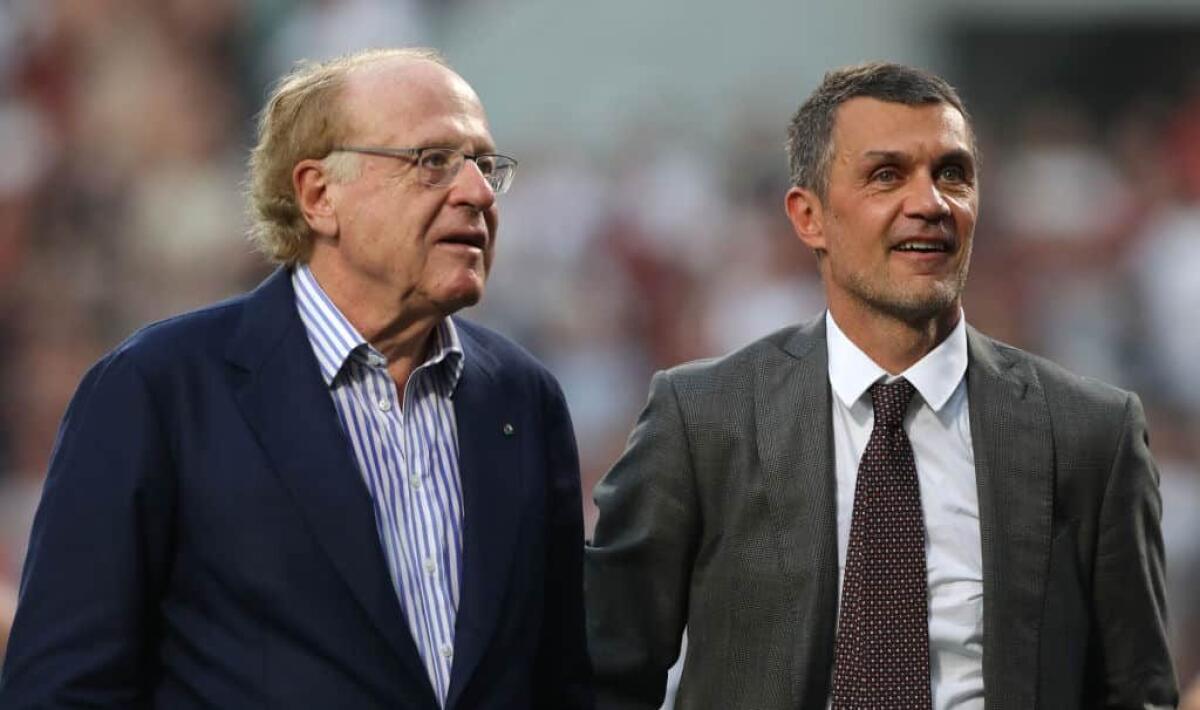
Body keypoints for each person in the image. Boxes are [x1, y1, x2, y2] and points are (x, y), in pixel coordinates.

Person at [0, 48, 592, 709]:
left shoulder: (522, 400)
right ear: (318, 195)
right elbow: (61, 689)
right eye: (433, 162)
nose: (478, 193)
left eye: (485, 165)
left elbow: (561, 682)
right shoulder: (158, 391)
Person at [585, 62, 1177, 709]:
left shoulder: (1092, 434)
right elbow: (607, 673)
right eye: (886, 175)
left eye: (952, 173)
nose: (929, 203)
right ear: (808, 217)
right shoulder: (702, 419)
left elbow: (1136, 690)